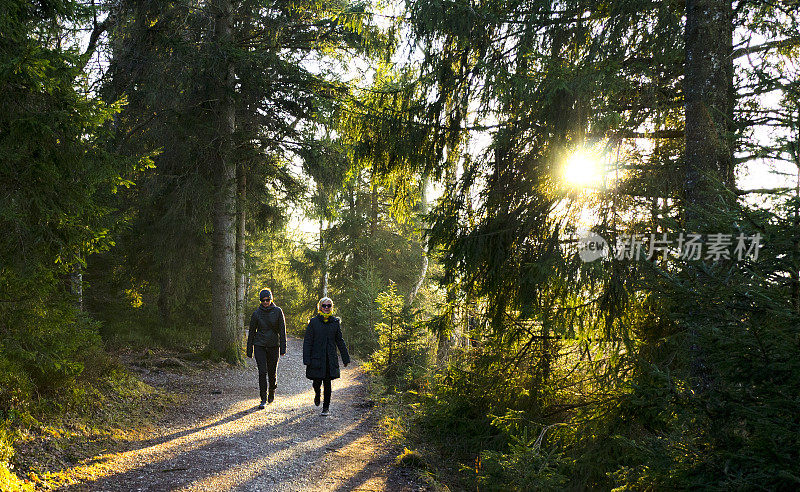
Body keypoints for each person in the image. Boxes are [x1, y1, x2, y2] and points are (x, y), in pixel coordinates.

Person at [303, 297, 350, 416]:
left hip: (330, 358)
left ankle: (326, 408)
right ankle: (317, 393)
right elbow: (307, 341)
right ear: (320, 307)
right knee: (316, 382)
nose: (326, 308)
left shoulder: (335, 322)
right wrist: (307, 358)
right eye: (324, 305)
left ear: (331, 307)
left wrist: (345, 358)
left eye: (329, 306)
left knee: (328, 383)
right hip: (316, 358)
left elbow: (340, 340)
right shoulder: (313, 322)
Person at [247, 288, 287, 409]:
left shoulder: (278, 311)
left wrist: (283, 348)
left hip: (273, 346)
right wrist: (249, 350)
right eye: (263, 300)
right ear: (260, 300)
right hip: (259, 345)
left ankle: (272, 391)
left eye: (267, 299)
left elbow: (282, 330)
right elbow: (252, 332)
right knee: (262, 372)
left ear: (271, 299)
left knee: (272, 372)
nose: (265, 302)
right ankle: (263, 398)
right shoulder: (256, 314)